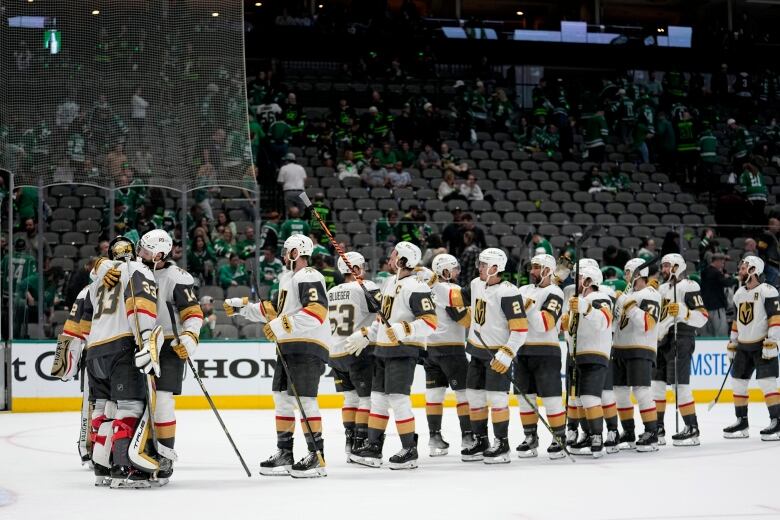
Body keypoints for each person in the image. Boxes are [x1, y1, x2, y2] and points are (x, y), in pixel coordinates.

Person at [224, 235, 330, 477]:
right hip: (288, 346)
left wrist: (282, 326)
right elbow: (274, 311)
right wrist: (243, 309)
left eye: (286, 251)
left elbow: (316, 311)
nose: (283, 255)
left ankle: (317, 455)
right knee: (282, 398)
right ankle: (285, 452)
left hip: (307, 345)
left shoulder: (309, 275)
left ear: (297, 252)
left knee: (304, 400)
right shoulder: (287, 279)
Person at [108, 230, 204, 482]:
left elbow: (192, 313)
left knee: (161, 402)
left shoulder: (176, 276)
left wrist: (190, 338)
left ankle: (164, 455)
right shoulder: (132, 270)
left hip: (168, 345)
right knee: (134, 401)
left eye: (147, 250)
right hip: (136, 343)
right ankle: (134, 452)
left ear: (161, 254)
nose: (140, 253)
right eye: (141, 248)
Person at [347, 242, 437, 469]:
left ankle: (409, 449)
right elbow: (382, 319)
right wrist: (367, 334)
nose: (390, 257)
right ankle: (374, 447)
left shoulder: (417, 287)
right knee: (378, 399)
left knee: (398, 399)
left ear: (404, 259)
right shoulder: (389, 283)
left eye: (394, 254)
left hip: (403, 350)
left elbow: (430, 322)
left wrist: (404, 329)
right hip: (383, 349)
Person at [81, 236, 163, 487]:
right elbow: (140, 306)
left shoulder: (94, 285)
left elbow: (84, 322)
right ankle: (124, 467)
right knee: (129, 408)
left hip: (94, 351)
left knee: (105, 409)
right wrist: (147, 340)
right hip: (122, 346)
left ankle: (101, 466)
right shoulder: (137, 269)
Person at [461, 248, 528, 464]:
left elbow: (520, 329)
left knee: (497, 399)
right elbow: (458, 299)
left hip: (497, 354)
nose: (479, 267)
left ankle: (502, 444)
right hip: (477, 352)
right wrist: (432, 284)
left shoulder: (509, 292)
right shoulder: (475, 284)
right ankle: (481, 441)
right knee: (474, 396)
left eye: (483, 264)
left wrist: (507, 353)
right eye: (479, 264)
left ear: (495, 268)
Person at [326, 252, 380, 458]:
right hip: (359, 349)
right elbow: (386, 311)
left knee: (350, 398)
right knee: (367, 399)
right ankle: (361, 442)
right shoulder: (365, 286)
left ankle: (349, 443)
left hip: (336, 352)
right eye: (362, 266)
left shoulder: (331, 291)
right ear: (356, 269)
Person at [652, 254, 709, 446]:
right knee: (657, 386)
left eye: (667, 266)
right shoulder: (661, 288)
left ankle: (692, 429)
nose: (664, 269)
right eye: (663, 266)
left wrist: (684, 312)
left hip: (681, 337)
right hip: (661, 340)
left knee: (680, 386)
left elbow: (702, 317)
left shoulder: (689, 286)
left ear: (678, 266)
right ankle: (657, 428)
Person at [514, 254, 567, 459]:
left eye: (536, 267)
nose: (531, 271)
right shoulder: (523, 290)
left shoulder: (555, 292)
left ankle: (559, 438)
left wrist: (528, 308)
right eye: (531, 267)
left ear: (547, 270)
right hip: (522, 350)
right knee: (524, 399)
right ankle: (530, 438)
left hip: (547, 351)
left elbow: (544, 324)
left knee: (552, 399)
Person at [724, 256, 780, 441]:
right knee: (738, 382)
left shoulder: (768, 291)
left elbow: (775, 318)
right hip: (743, 345)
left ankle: (777, 421)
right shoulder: (739, 293)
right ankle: (742, 421)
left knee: (767, 383)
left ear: (754, 269)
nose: (740, 269)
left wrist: (773, 340)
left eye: (744, 267)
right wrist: (733, 341)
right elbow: (737, 320)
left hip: (763, 343)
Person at [423, 254, 473, 456]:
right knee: (463, 394)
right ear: (444, 271)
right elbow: (465, 319)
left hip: (430, 348)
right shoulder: (451, 290)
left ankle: (434, 439)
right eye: (454, 269)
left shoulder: (427, 289)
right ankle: (468, 438)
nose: (458, 272)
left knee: (434, 395)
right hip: (451, 349)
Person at [612, 259, 662, 451]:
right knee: (620, 392)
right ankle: (629, 432)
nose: (625, 277)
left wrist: (628, 304)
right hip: (620, 349)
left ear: (637, 274)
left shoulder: (651, 294)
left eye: (627, 272)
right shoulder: (628, 294)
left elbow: (648, 324)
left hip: (641, 348)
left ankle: (652, 432)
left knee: (641, 390)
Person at [566, 263, 614, 457]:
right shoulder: (579, 300)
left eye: (579, 278)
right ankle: (587, 435)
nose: (575, 282)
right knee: (577, 400)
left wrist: (586, 308)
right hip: (577, 356)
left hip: (595, 354)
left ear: (588, 280)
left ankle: (597, 436)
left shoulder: (599, 297)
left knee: (589, 398)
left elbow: (605, 320)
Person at [700, 252, 738, 337]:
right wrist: (735, 279)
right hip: (716, 307)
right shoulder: (716, 273)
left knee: (709, 333)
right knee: (721, 332)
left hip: (705, 306)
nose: (723, 265)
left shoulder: (705, 271)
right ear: (717, 261)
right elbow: (727, 283)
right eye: (722, 262)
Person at [757, 217, 780, 288]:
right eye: (777, 225)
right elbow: (761, 249)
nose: (779, 227)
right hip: (769, 264)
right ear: (770, 225)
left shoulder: (774, 236)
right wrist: (763, 262)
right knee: (770, 286)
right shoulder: (766, 235)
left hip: (775, 265)